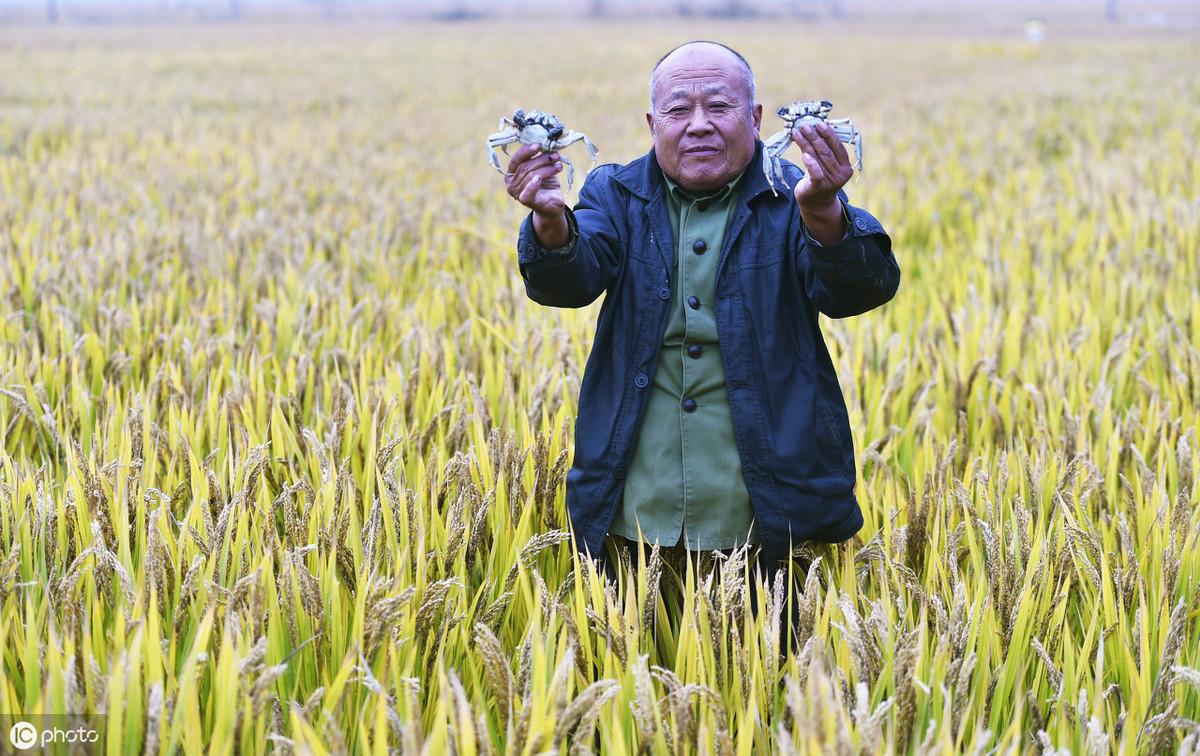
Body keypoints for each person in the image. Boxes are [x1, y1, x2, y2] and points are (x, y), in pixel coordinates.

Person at [501, 40, 899, 651]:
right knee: (635, 681)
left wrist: (823, 209)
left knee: (770, 688)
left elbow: (857, 288)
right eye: (678, 110)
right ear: (651, 124)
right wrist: (551, 222)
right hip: (637, 506)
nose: (699, 125)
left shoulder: (791, 192)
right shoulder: (615, 194)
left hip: (766, 509)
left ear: (758, 120)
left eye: (720, 106)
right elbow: (570, 281)